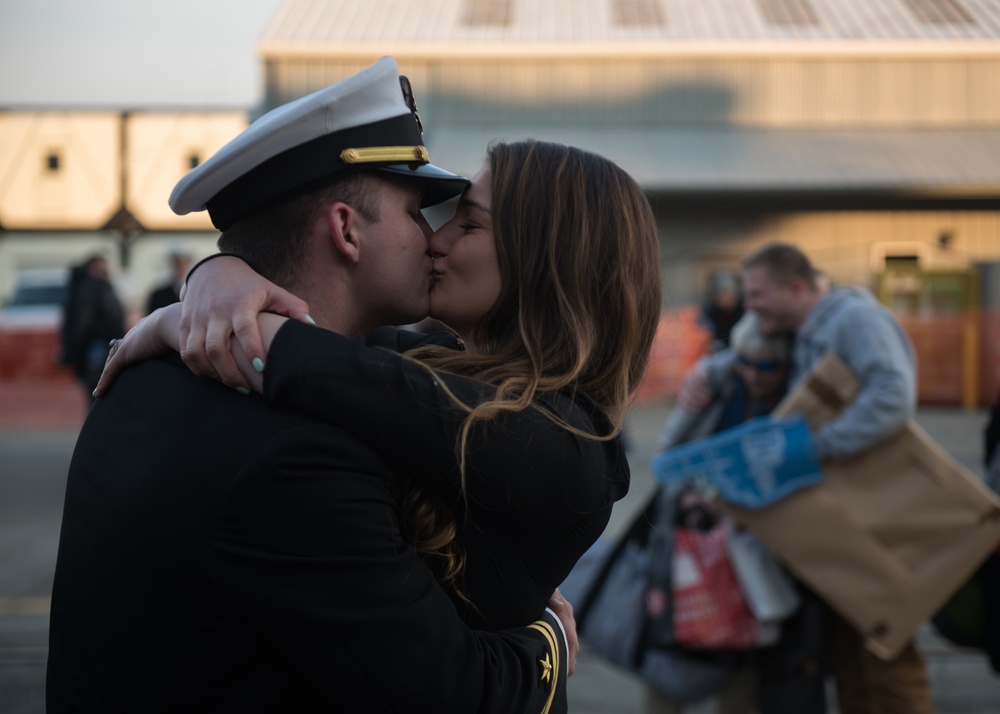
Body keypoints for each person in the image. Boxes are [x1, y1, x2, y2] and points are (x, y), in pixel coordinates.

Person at [47, 57, 576, 713]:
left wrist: (207, 284)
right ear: (346, 231)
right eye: (416, 212)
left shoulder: (156, 370)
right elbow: (458, 696)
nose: (432, 237)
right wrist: (547, 635)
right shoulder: (296, 455)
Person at [98, 133, 663, 633]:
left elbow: (331, 369)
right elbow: (330, 340)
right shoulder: (438, 364)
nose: (436, 242)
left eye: (468, 223)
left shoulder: (569, 446)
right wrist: (217, 275)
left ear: (547, 261)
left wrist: (178, 318)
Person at [679, 242, 930, 714]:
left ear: (794, 287)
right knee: (849, 659)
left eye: (756, 294)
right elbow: (751, 353)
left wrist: (816, 447)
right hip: (840, 523)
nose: (747, 304)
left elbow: (893, 397)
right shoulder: (805, 330)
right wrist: (709, 372)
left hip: (876, 518)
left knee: (887, 657)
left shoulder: (854, 320)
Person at [58, 253, 125, 402]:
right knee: (98, 385)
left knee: (95, 388)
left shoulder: (83, 286)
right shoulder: (95, 286)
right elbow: (87, 319)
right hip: (98, 342)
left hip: (94, 343)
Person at [145, 243, 194, 314]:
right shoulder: (158, 294)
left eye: (185, 262)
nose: (181, 266)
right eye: (177, 263)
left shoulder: (196, 291)